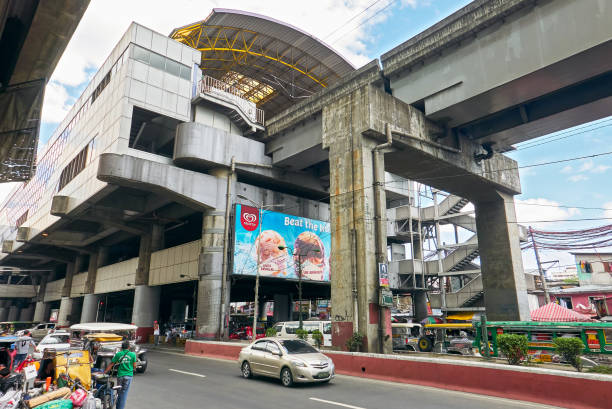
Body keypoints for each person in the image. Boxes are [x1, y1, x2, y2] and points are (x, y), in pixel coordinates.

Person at [105, 340, 136, 409]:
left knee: (119, 392)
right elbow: (134, 366)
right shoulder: (133, 355)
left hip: (120, 376)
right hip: (128, 376)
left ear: (122, 347)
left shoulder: (118, 354)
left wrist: (105, 372)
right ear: (129, 347)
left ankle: (117, 407)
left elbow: (111, 364)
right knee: (124, 394)